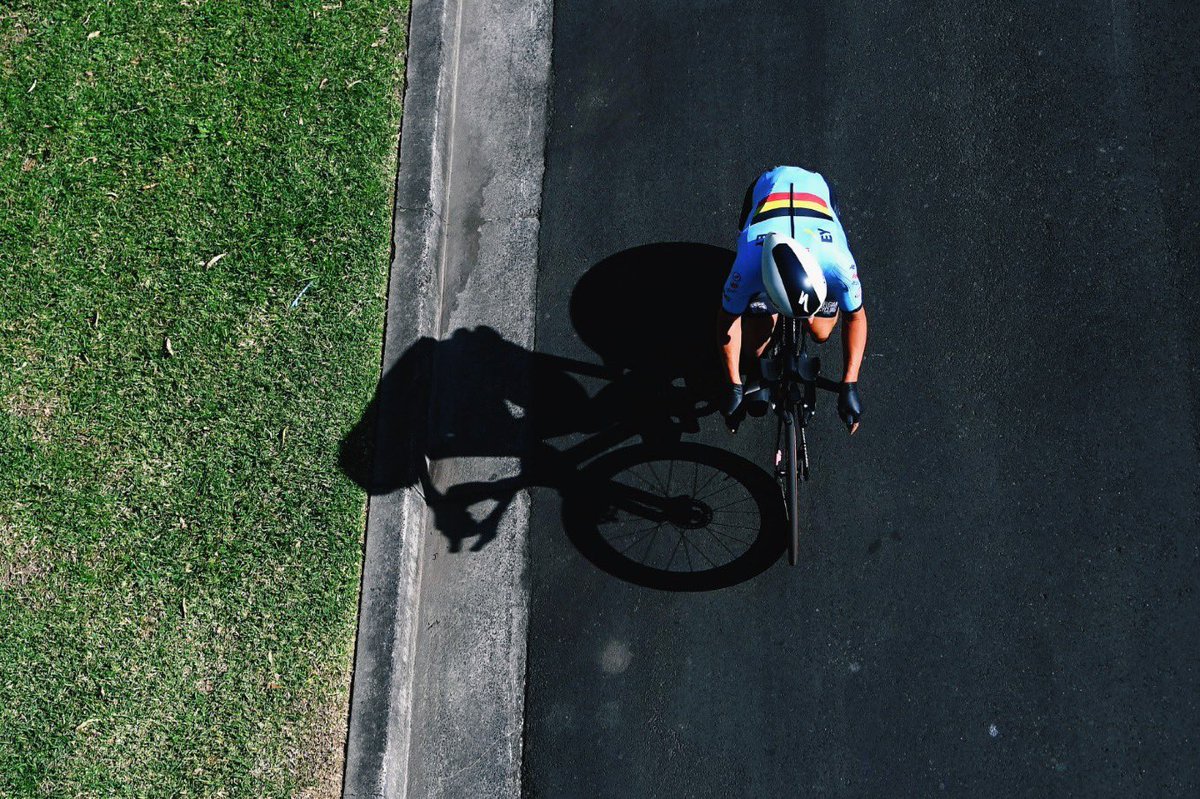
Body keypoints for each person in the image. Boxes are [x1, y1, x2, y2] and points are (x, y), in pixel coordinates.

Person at [717, 165, 868, 434]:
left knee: (820, 332)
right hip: (766, 189)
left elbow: (855, 316)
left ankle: (796, 313)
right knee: (754, 348)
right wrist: (733, 385)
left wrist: (850, 383)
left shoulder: (839, 265)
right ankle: (770, 314)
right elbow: (728, 319)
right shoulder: (747, 265)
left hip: (816, 195)